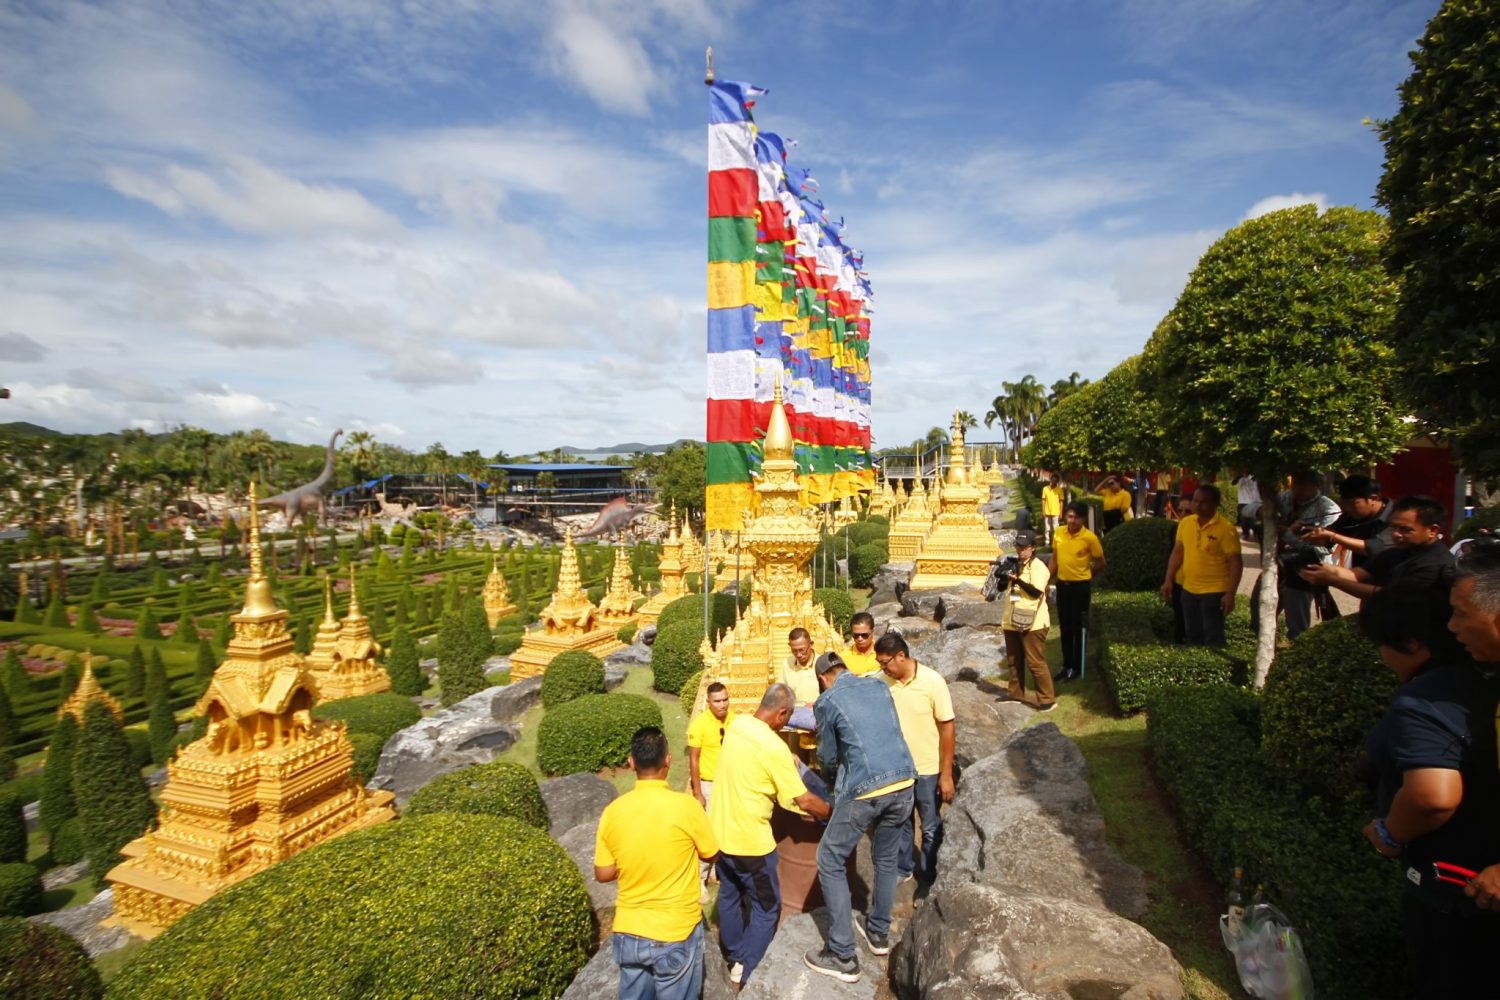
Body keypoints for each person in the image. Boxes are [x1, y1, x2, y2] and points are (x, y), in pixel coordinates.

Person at [1360, 565, 1500, 999]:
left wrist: (1388, 833)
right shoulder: (1487, 679)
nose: (1453, 625)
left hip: (1456, 895)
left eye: (1460, 614)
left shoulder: (1428, 700)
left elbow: (1432, 796)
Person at [803, 652, 917, 983]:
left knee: (829, 857)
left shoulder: (828, 700)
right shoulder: (878, 686)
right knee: (885, 858)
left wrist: (828, 779)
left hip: (866, 788)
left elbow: (827, 755)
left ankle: (842, 954)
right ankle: (878, 932)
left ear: (824, 678)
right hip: (905, 780)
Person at [709, 683, 831, 987]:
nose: (784, 724)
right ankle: (750, 971)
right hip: (751, 844)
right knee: (767, 907)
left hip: (721, 833)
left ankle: (734, 954)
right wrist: (832, 812)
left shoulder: (737, 726)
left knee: (730, 894)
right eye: (786, 718)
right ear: (782, 713)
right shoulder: (773, 747)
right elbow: (802, 800)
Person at [595, 727, 720, 1000]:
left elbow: (603, 873)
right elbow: (711, 854)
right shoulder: (686, 807)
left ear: (630, 763)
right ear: (668, 760)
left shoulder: (613, 812)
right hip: (675, 930)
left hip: (629, 931)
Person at [1302, 496, 1458, 659]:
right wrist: (1325, 569)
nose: (1396, 534)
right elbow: (1356, 574)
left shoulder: (1435, 565)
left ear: (1432, 530)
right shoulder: (1396, 553)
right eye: (1393, 527)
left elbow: (1385, 595)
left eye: (1405, 529)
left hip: (1416, 648)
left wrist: (1332, 580)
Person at [875, 632, 956, 884]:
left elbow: (947, 727)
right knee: (901, 821)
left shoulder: (932, 682)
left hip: (927, 770)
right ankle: (903, 868)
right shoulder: (881, 682)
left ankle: (929, 876)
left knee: (930, 826)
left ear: (901, 656)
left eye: (885, 662)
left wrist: (946, 774)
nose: (883, 668)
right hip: (897, 770)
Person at [1250, 471, 1341, 642]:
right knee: (1258, 612)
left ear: (1317, 485)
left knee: (1297, 625)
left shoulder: (1329, 510)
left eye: (1305, 483)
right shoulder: (1284, 498)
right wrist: (1263, 511)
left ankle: (1295, 654)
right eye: (1296, 482)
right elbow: (1248, 509)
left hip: (1305, 569)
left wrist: (1288, 533)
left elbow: (1322, 549)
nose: (1298, 487)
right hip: (1276, 564)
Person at [1160, 485, 1243, 647]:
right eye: (1195, 501)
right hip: (1188, 590)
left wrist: (1230, 594)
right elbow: (1177, 553)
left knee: (1213, 638)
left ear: (1215, 504)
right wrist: (1168, 580)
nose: (1197, 505)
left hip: (1214, 592)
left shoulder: (1226, 529)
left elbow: (1236, 563)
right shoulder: (1185, 524)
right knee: (1192, 636)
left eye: (1203, 502)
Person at [1048, 501, 1105, 683]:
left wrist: (1088, 576)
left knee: (1078, 627)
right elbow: (1055, 559)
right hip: (1063, 586)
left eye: (1076, 517)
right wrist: (1046, 579)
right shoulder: (1058, 533)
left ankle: (1077, 666)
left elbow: (1101, 561)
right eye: (1070, 516)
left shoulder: (1089, 538)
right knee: (1064, 626)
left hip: (1080, 587)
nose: (1072, 521)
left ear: (1082, 519)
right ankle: (1066, 664)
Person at [686, 682, 734, 901]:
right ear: (708, 702)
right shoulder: (700, 725)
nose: (722, 705)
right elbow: (693, 759)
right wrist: (697, 792)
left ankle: (719, 871)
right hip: (709, 784)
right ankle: (699, 880)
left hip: (730, 784)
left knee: (727, 829)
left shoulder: (734, 720)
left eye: (725, 699)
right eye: (717, 701)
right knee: (708, 832)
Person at [998, 529, 1055, 708]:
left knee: (1035, 662)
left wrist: (1018, 581)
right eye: (1018, 547)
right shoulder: (1014, 564)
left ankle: (1047, 700)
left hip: (1034, 623)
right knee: (1014, 660)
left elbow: (1036, 591)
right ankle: (1015, 694)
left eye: (1024, 548)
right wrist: (1003, 575)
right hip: (1012, 619)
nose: (1020, 551)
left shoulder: (1039, 567)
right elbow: (1000, 588)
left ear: (1032, 548)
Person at [1303, 474, 1393, 572]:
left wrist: (1332, 536)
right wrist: (1309, 533)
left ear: (1373, 499)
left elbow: (1375, 548)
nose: (1347, 508)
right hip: (1361, 574)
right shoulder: (1349, 516)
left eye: (1352, 504)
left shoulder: (1394, 516)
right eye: (1344, 504)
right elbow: (1328, 536)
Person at [781, 627, 819, 730]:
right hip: (795, 716)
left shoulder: (822, 663)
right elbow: (781, 693)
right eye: (794, 651)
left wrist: (816, 704)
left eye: (802, 650)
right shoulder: (787, 663)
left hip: (817, 713)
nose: (799, 654)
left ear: (810, 644)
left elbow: (832, 693)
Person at [1041, 475, 1065, 544]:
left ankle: (1056, 541)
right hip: (1047, 512)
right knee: (1047, 528)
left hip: (1056, 512)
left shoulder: (1059, 490)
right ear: (1050, 480)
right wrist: (1043, 511)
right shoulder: (1045, 489)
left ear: (1057, 482)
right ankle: (1047, 542)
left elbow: (1061, 502)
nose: (1053, 482)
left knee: (1056, 528)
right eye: (1052, 480)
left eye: (1055, 481)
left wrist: (1061, 513)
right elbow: (1043, 500)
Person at [1235, 473, 1260, 540]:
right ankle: (1245, 533)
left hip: (1254, 501)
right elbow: (1233, 482)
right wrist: (1240, 475)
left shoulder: (1255, 477)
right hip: (1243, 501)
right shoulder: (1240, 478)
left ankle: (1256, 534)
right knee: (1243, 519)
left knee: (1255, 519)